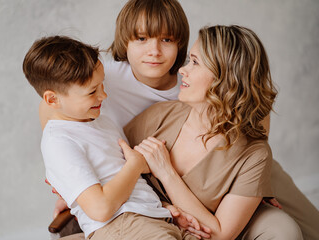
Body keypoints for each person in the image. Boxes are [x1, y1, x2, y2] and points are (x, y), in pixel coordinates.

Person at [42, 0, 319, 239]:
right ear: (125, 41)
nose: (154, 51)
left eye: (167, 40)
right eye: (141, 39)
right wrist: (68, 179)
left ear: (180, 44)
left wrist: (248, 178)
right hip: (154, 188)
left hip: (227, 159)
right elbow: (57, 110)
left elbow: (255, 116)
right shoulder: (105, 76)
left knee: (303, 228)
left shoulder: (186, 87)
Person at [124, 25, 311, 239]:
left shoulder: (253, 151)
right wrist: (163, 206)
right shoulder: (159, 116)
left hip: (252, 190)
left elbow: (220, 234)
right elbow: (108, 167)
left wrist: (166, 172)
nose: (182, 70)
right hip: (148, 224)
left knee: (291, 230)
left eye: (195, 63)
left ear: (226, 79)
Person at [23, 35, 200, 240]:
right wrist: (135, 165)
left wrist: (163, 208)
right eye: (91, 92)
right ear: (52, 99)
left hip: (150, 219)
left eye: (102, 85)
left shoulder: (100, 121)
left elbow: (123, 182)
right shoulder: (59, 142)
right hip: (119, 226)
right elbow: (100, 209)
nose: (103, 96)